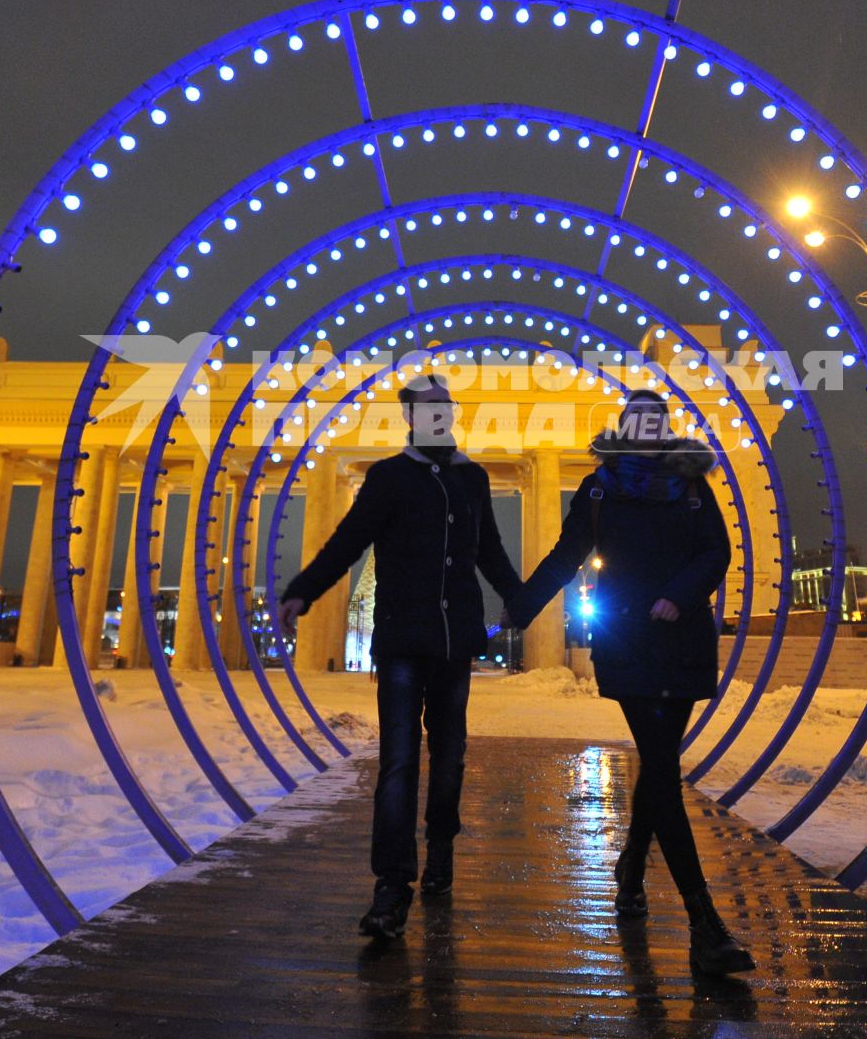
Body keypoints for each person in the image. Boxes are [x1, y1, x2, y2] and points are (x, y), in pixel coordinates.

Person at [505, 388, 756, 976]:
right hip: (629, 640)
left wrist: (680, 595)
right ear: (623, 428)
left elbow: (716, 551)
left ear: (665, 427)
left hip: (682, 637)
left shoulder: (693, 482)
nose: (647, 427)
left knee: (661, 761)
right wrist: (516, 610)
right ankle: (704, 925)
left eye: (656, 419)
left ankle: (631, 867)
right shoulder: (601, 488)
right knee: (662, 766)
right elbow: (567, 555)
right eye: (637, 419)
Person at [277, 374, 520, 938]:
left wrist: (521, 598)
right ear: (409, 415)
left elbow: (491, 553)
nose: (439, 414)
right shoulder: (388, 477)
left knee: (452, 755)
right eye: (428, 407)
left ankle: (440, 845)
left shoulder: (472, 478)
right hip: (401, 641)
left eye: (445, 405)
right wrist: (304, 589)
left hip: (454, 642)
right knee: (399, 760)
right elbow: (349, 539)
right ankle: (391, 885)